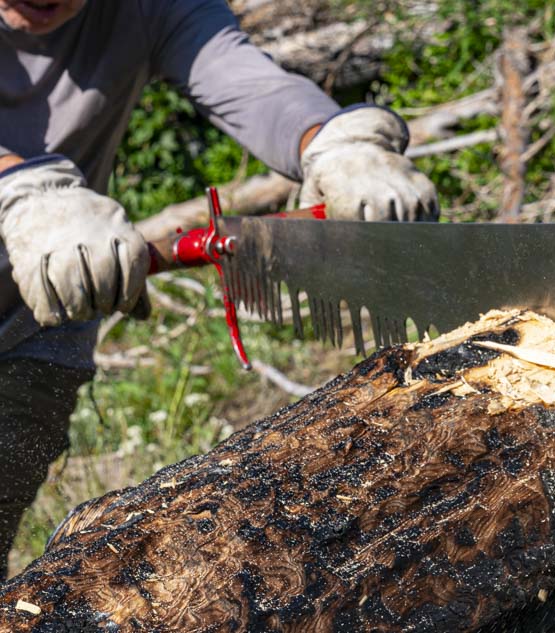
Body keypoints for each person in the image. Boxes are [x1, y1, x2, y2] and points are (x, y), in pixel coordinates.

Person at [0, 0, 438, 577]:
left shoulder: (149, 8)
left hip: (37, 329)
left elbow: (245, 81)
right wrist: (21, 190)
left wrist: (336, 143)